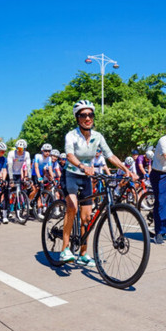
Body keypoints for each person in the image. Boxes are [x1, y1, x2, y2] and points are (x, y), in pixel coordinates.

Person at [61, 100, 133, 265]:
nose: (87, 118)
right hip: (71, 174)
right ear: (77, 118)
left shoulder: (97, 136)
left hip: (87, 177)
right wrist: (82, 166)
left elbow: (110, 155)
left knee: (87, 218)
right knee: (72, 206)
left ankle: (84, 254)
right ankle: (65, 249)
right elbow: (69, 155)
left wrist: (126, 169)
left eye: (90, 115)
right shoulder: (71, 135)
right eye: (83, 115)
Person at [5, 139, 31, 223]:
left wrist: (29, 178)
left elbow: (28, 166)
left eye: (22, 149)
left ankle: (18, 213)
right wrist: (11, 179)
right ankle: (5, 213)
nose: (20, 151)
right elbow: (9, 166)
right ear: (16, 148)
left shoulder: (26, 154)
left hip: (18, 174)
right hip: (10, 173)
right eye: (19, 149)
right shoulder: (11, 153)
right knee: (8, 192)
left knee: (18, 192)